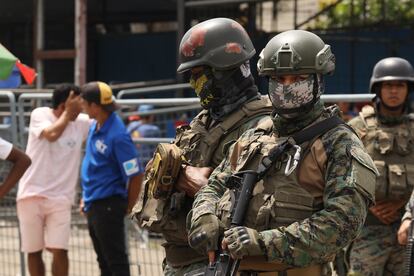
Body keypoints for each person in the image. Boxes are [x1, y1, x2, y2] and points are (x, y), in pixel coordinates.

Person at [188, 29, 377, 275]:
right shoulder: (255, 135)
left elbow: (343, 222)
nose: (287, 88)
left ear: (318, 81)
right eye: (279, 80)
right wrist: (203, 217)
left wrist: (264, 243)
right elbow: (214, 186)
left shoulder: (339, 143)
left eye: (297, 79)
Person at [131, 17, 273, 275]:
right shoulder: (205, 120)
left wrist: (197, 185)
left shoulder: (263, 125)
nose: (192, 84)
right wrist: (177, 175)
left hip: (219, 262)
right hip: (179, 260)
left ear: (223, 69)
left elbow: (261, 206)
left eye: (197, 74)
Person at [347, 57, 414, 276]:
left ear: (408, 89)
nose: (394, 91)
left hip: (409, 228)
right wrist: (367, 204)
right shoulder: (358, 127)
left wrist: (404, 207)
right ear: (377, 88)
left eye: (400, 85)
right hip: (367, 229)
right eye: (388, 85)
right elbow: (339, 174)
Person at [16, 83, 89, 276]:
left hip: (61, 198)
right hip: (31, 194)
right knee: (33, 251)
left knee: (60, 250)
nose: (82, 106)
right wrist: (68, 113)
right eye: (79, 101)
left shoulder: (81, 122)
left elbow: (102, 119)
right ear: (66, 103)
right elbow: (51, 135)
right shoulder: (40, 114)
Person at [80, 81, 144, 276]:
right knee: (104, 261)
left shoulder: (118, 136)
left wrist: (128, 206)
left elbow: (136, 174)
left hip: (108, 205)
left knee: (116, 262)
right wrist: (86, 197)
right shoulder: (96, 125)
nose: (82, 106)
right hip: (94, 203)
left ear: (95, 106)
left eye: (84, 103)